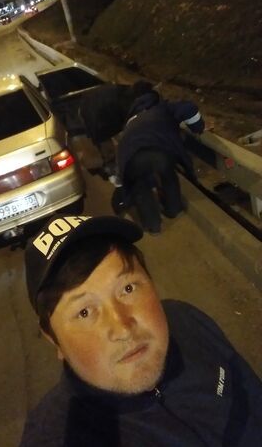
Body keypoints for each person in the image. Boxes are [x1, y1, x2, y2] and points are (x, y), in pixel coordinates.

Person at [21, 214, 262, 446]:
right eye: (84, 312)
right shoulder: (59, 437)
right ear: (54, 340)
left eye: (127, 289)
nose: (123, 328)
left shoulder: (187, 321)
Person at [117, 84, 205, 233]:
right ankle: (173, 209)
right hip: (159, 152)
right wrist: (198, 127)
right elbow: (188, 108)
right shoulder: (162, 108)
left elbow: (122, 150)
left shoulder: (131, 121)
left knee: (140, 186)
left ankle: (153, 226)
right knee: (168, 175)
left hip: (131, 158)